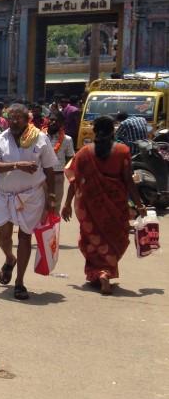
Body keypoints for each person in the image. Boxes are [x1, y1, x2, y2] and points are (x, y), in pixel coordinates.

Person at [62, 116, 147, 295]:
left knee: (91, 238)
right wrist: (139, 205)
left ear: (94, 131)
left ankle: (98, 272)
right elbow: (129, 182)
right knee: (116, 238)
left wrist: (67, 204)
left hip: (89, 206)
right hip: (116, 207)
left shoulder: (84, 152)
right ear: (113, 131)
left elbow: (74, 180)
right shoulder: (123, 151)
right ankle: (105, 272)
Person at [0, 103, 58, 301]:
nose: (14, 121)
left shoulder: (40, 138)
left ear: (27, 119)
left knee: (25, 237)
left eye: (18, 118)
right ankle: (10, 258)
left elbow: (50, 169)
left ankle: (19, 282)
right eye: (11, 117)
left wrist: (52, 197)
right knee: (4, 235)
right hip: (5, 195)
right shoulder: (1, 139)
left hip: (32, 196)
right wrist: (17, 165)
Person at [44, 110, 76, 213]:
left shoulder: (67, 139)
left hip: (57, 176)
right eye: (51, 120)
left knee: (55, 207)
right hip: (41, 177)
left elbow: (70, 159)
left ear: (61, 123)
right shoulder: (39, 137)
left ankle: (53, 229)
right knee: (40, 207)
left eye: (56, 120)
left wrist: (69, 175)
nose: (53, 122)